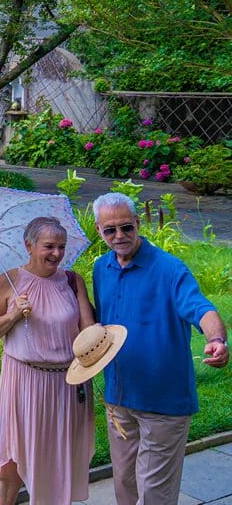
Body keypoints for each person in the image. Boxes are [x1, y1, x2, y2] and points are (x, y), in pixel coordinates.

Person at [90, 192, 228, 505]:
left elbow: (201, 308)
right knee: (124, 485)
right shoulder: (102, 268)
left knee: (155, 494)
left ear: (138, 223)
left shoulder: (169, 269)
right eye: (110, 230)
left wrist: (217, 340)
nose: (119, 235)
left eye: (126, 227)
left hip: (162, 401)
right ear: (99, 230)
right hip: (119, 398)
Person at [0, 216, 96, 505]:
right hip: (23, 381)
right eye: (49, 246)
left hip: (68, 383)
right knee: (11, 463)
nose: (56, 254)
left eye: (61, 246)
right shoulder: (10, 281)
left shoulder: (72, 280)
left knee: (59, 457)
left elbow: (88, 329)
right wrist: (12, 316)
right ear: (29, 246)